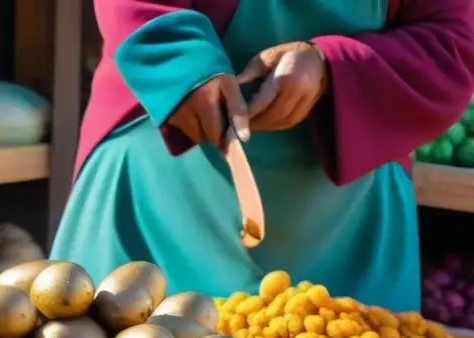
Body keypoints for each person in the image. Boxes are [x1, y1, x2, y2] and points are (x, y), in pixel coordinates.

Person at [51, 0, 474, 311]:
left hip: (350, 224)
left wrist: (331, 65)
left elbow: (452, 42)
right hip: (157, 186)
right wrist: (180, 64)